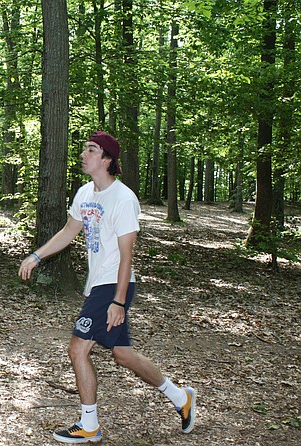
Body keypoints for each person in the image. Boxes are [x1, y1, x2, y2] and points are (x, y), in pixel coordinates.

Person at [19, 131, 196, 443]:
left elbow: (127, 255)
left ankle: (89, 424)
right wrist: (37, 255)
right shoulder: (85, 193)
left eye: (91, 150)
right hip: (98, 283)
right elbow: (69, 230)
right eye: (85, 149)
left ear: (107, 159)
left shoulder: (124, 199)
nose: (83, 154)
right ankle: (181, 398)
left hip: (114, 284)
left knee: (78, 348)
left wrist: (117, 300)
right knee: (123, 355)